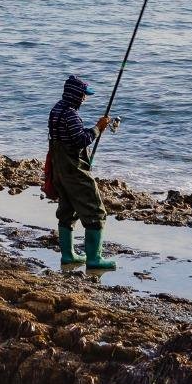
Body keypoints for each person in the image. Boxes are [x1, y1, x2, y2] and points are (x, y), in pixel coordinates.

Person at [47, 74, 119, 270]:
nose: (84, 99)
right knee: (96, 211)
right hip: (74, 172)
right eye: (83, 95)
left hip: (60, 170)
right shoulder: (71, 114)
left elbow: (69, 138)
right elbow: (81, 140)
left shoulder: (56, 110)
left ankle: (68, 256)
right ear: (75, 95)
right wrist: (98, 128)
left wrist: (93, 129)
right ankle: (94, 259)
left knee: (67, 211)